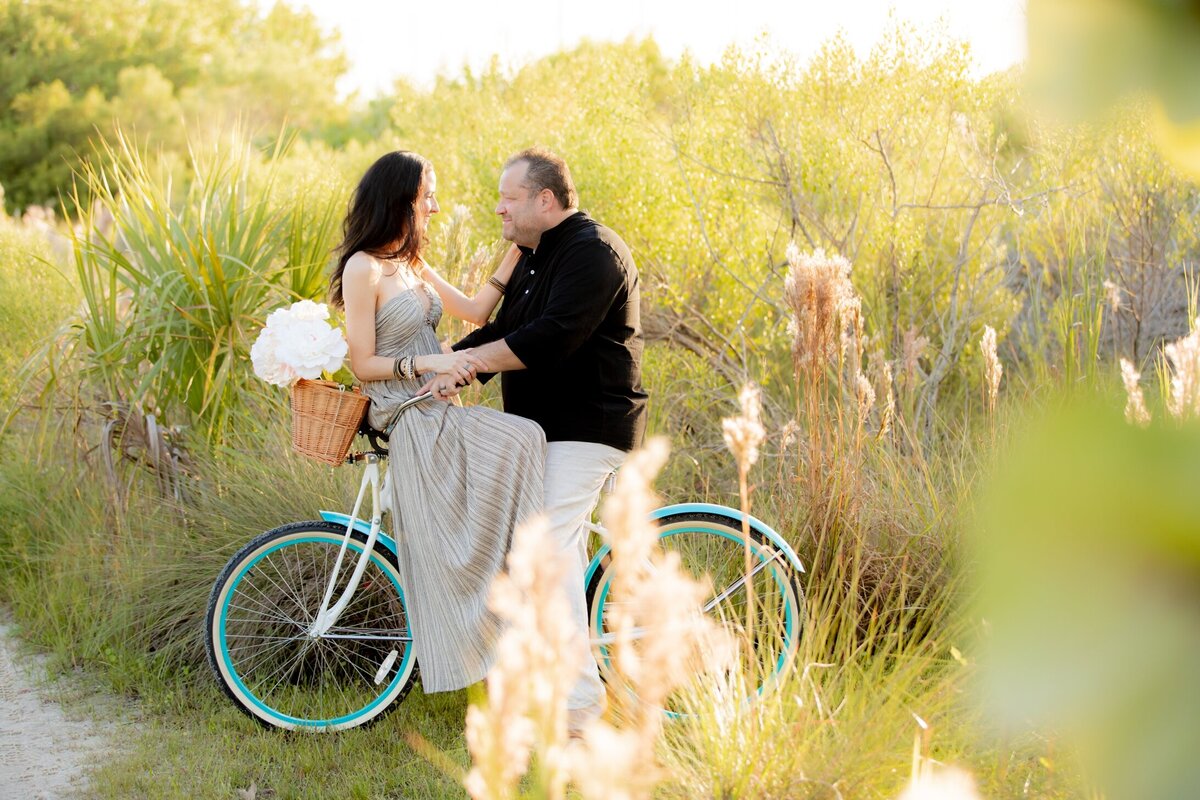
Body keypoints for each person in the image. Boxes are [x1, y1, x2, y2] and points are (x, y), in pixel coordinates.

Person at [445, 147, 649, 732]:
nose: (499, 208)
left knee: (545, 554)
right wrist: (427, 365)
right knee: (549, 555)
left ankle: (580, 707)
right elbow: (504, 331)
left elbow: (548, 340)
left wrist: (464, 365)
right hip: (543, 431)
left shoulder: (595, 253)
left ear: (545, 200)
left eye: (509, 198)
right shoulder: (535, 257)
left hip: (589, 428)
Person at [329, 150, 547, 693]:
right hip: (406, 413)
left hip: (436, 406)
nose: (435, 204)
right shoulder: (365, 268)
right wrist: (433, 361)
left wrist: (515, 250)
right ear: (401, 198)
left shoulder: (410, 263)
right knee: (525, 435)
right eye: (428, 194)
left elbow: (475, 311)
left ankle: (518, 606)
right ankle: (508, 617)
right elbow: (362, 363)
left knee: (524, 440)